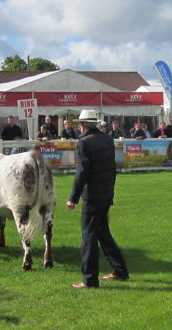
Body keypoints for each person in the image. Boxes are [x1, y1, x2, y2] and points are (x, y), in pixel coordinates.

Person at [66, 109, 129, 289]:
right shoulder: (107, 139)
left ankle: (89, 280)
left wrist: (73, 198)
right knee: (103, 233)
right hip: (106, 194)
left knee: (89, 237)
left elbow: (82, 172)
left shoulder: (84, 143)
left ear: (83, 125)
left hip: (92, 197)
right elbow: (112, 169)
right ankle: (120, 271)